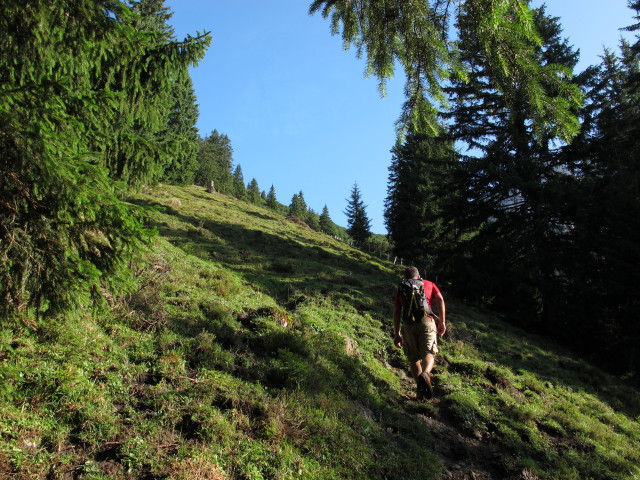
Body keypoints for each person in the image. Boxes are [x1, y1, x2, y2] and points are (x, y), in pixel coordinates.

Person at [393, 266, 447, 399]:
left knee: (413, 359)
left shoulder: (402, 287)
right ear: (419, 275)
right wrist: (442, 321)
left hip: (408, 324)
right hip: (426, 321)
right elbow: (440, 299)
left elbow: (397, 311)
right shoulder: (429, 284)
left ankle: (420, 392)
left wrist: (397, 334)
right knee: (429, 353)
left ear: (405, 277)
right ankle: (426, 373)